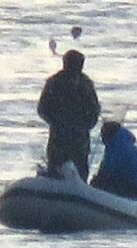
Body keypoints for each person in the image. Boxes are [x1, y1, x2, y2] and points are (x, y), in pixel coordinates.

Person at [37, 49, 100, 181]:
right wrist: (56, 122)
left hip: (78, 137)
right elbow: (42, 108)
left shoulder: (86, 84)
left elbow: (94, 112)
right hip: (60, 137)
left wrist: (83, 126)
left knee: (80, 171)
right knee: (56, 169)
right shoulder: (54, 82)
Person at [90, 120, 137, 199]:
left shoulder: (116, 147)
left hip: (136, 189)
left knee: (98, 182)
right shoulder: (125, 144)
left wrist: (95, 180)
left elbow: (107, 170)